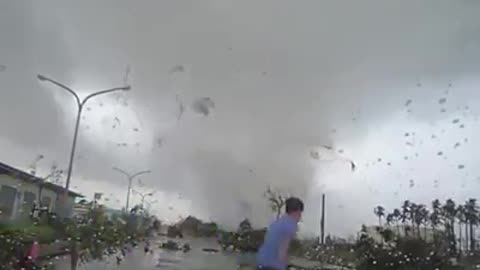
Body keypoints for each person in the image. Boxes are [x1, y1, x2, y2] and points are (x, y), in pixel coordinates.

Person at [256, 197, 304, 270]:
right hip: (272, 266)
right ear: (296, 212)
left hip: (262, 262)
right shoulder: (290, 225)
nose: (300, 216)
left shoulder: (280, 221)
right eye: (300, 212)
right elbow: (282, 250)